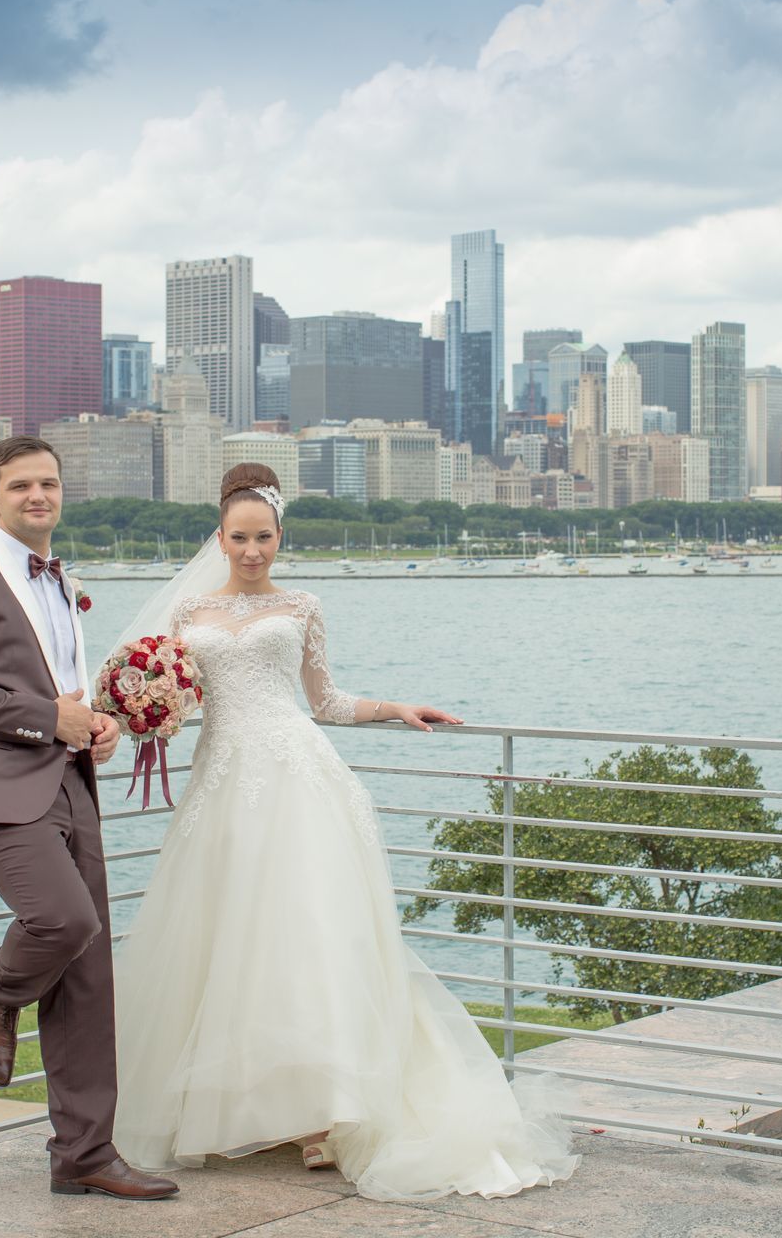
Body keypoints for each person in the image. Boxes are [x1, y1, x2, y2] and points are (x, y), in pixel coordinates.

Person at [109, 462, 580, 1201]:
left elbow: (324, 702)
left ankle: (326, 1117)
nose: (253, 550)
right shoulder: (186, 613)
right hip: (221, 785)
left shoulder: (301, 606)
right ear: (221, 538)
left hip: (299, 779)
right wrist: (143, 712)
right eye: (240, 538)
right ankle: (253, 1109)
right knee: (231, 940)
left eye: (264, 537)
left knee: (311, 936)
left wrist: (398, 708)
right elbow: (176, 697)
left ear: (279, 536)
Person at [0, 435, 179, 1202]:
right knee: (61, 922)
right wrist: (50, 721)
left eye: (50, 484)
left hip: (71, 782)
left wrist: (93, 722)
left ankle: (84, 1155)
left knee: (89, 975)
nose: (39, 496)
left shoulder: (59, 580)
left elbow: (61, 689)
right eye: (22, 485)